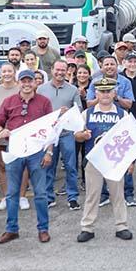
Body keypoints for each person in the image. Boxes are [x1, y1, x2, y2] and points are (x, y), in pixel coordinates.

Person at [0, 70, 55, 244]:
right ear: (18, 82)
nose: (27, 84)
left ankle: (43, 229)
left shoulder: (44, 102)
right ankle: (11, 229)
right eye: (23, 81)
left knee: (41, 193)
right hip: (15, 151)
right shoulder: (9, 101)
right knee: (12, 193)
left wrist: (49, 151)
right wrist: (1, 130)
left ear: (35, 83)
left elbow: (50, 129)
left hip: (37, 152)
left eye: (30, 81)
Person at [74, 78, 134, 243]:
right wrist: (83, 135)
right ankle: (87, 227)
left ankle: (121, 226)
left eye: (109, 91)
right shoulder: (87, 113)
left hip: (115, 161)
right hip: (94, 161)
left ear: (115, 93)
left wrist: (130, 162)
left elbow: (130, 140)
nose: (106, 94)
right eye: (102, 91)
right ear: (96, 93)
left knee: (118, 194)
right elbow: (77, 136)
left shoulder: (123, 114)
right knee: (92, 195)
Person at [38, 60, 83, 210]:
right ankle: (49, 197)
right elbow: (37, 111)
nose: (60, 73)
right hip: (49, 134)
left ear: (67, 72)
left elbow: (79, 110)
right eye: (57, 69)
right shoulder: (41, 89)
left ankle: (72, 197)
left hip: (66, 133)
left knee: (71, 165)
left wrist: (68, 112)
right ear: (52, 70)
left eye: (63, 70)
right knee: (48, 165)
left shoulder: (72, 90)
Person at [0, 64, 23, 209]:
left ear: (14, 73)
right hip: (0, 132)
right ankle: (7, 196)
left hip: (18, 134)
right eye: (4, 71)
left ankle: (20, 196)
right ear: (0, 73)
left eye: (10, 71)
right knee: (2, 165)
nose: (7, 74)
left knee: (19, 165)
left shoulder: (20, 88)